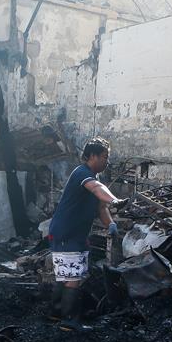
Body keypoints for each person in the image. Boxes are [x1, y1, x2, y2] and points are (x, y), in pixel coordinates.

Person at [48, 137, 123, 321]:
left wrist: (111, 224)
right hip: (67, 232)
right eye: (105, 157)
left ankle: (55, 314)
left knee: (67, 275)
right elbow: (97, 188)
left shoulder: (93, 177)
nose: (107, 161)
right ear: (92, 156)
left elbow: (101, 208)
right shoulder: (82, 173)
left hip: (74, 234)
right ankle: (69, 320)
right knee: (73, 277)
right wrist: (115, 200)